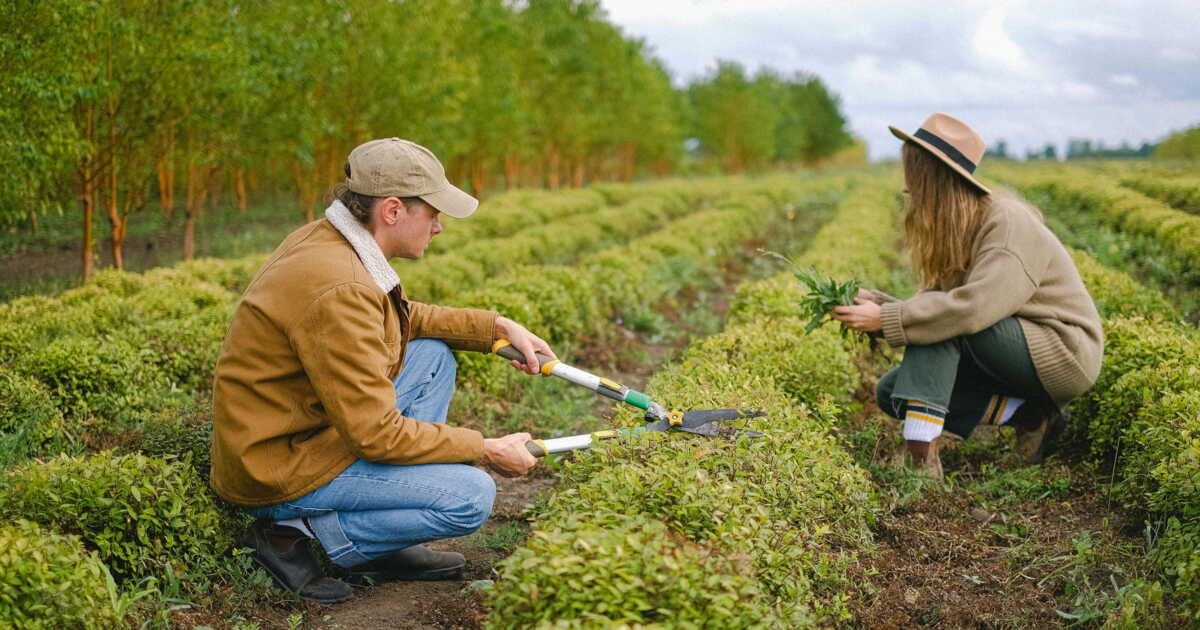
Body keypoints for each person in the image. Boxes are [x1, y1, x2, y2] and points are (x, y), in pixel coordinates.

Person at [210, 138, 551, 603]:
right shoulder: (340, 286)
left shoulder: (335, 242)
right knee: (471, 495)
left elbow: (402, 317)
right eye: (433, 214)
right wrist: (485, 448)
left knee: (431, 355)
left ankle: (384, 540)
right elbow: (376, 434)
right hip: (279, 467)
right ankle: (294, 533)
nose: (439, 229)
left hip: (308, 429)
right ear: (392, 211)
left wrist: (495, 327)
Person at [831, 113, 1104, 480]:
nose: (905, 188)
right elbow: (942, 305)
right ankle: (1031, 415)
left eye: (913, 176)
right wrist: (878, 305)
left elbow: (971, 310)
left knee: (941, 325)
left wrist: (886, 319)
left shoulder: (1006, 224)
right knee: (893, 391)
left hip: (1060, 352)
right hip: (1008, 344)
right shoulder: (962, 225)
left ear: (934, 180)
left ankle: (919, 461)